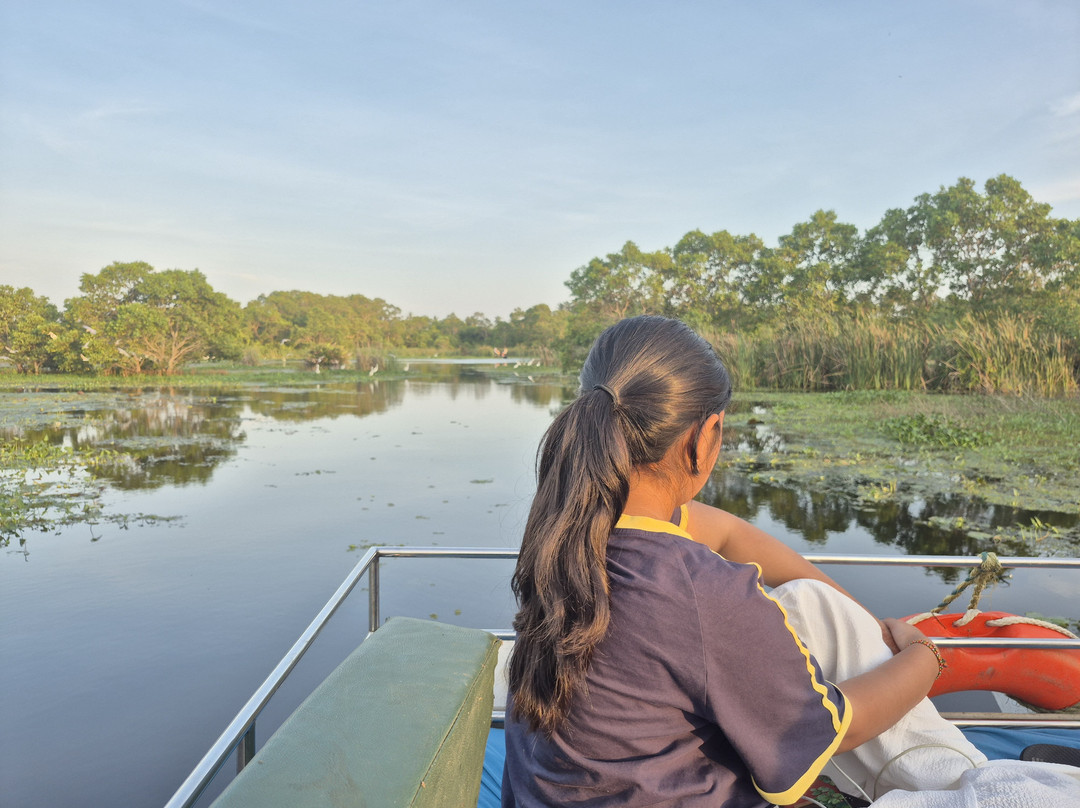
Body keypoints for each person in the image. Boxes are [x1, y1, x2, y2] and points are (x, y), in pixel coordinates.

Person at [501, 315, 945, 807]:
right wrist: (926, 656)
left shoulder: (564, 532)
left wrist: (855, 613)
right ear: (704, 435)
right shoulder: (703, 591)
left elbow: (728, 532)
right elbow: (837, 728)